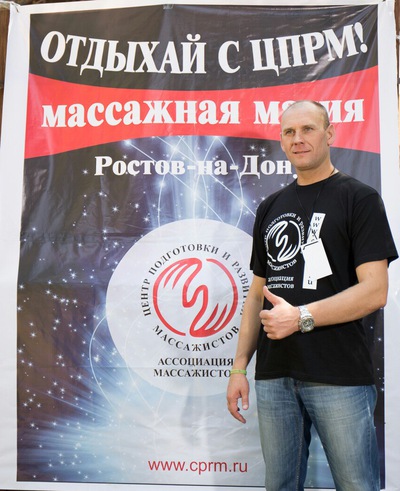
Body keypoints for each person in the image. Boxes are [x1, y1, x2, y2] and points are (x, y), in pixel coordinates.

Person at [226, 100, 398, 490]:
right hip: (275, 375)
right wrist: (239, 368)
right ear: (281, 141)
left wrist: (301, 316)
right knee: (280, 485)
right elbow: (256, 295)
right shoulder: (270, 206)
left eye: (308, 129)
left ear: (329, 133)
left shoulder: (359, 199)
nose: (298, 139)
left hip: (339, 373)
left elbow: (375, 291)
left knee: (357, 485)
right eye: (289, 132)